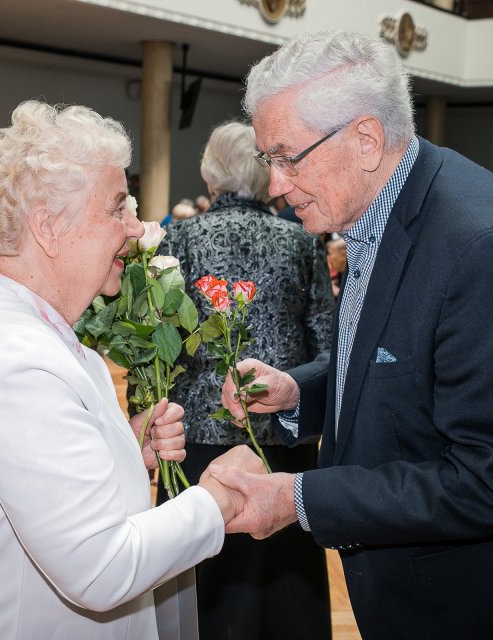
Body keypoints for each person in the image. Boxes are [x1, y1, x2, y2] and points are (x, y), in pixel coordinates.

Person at [208, 31, 493, 639]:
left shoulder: (485, 248)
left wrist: (299, 498)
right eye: (270, 160)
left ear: (366, 140)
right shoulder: (386, 210)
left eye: (287, 157)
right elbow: (396, 363)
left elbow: (489, 479)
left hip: (486, 605)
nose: (275, 185)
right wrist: (299, 392)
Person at [0, 101, 264, 639]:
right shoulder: (16, 363)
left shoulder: (13, 318)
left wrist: (122, 451)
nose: (137, 228)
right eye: (116, 208)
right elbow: (101, 567)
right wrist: (219, 499)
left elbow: (33, 479)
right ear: (49, 229)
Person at [157, 121, 335, 640]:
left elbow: (162, 341)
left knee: (200, 574)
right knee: (284, 579)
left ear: (210, 172)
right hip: (281, 431)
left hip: (195, 437)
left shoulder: (180, 237)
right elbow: (325, 341)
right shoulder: (302, 240)